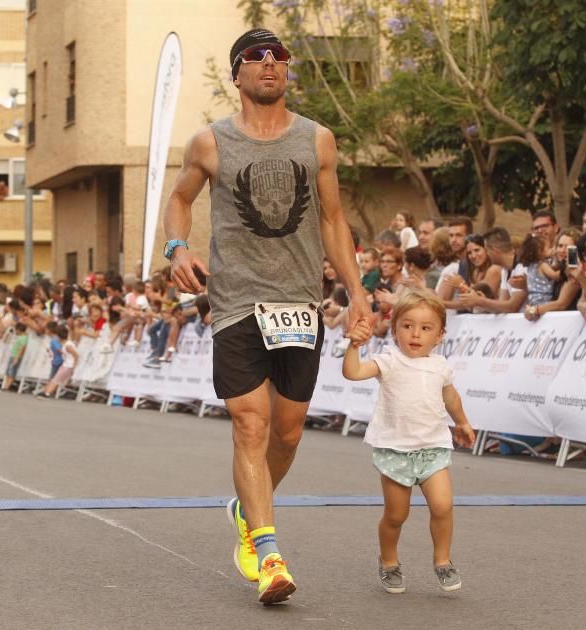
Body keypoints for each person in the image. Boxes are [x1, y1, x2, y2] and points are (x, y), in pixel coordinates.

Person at [160, 27, 371, 605]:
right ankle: (269, 553)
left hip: (300, 302)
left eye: (278, 55)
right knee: (250, 424)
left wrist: (357, 292)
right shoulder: (210, 143)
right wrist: (176, 249)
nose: (270, 64)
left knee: (288, 432)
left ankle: (245, 511)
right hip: (235, 301)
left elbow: (332, 220)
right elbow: (179, 200)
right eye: (256, 57)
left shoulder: (317, 140)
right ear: (238, 74)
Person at [341, 289, 475, 594]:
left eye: (426, 328)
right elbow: (354, 372)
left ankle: (442, 560)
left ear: (440, 335)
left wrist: (463, 422)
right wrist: (354, 346)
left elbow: (451, 397)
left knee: (443, 506)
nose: (415, 334)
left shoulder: (440, 366)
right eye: (407, 326)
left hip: (433, 448)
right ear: (394, 329)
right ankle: (389, 561)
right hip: (395, 449)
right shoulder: (389, 361)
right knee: (396, 515)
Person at [39, 326, 77, 399]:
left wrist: (74, 366)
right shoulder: (66, 344)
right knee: (55, 378)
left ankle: (47, 393)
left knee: (56, 379)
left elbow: (76, 355)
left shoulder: (68, 345)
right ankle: (45, 391)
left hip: (69, 365)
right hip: (66, 364)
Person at [2, 322, 28, 392]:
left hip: (16, 356)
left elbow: (22, 349)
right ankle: (5, 386)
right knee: (8, 371)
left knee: (12, 372)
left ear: (19, 330)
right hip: (12, 355)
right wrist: (9, 333)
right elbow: (5, 341)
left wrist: (17, 358)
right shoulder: (18, 336)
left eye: (16, 330)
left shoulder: (24, 338)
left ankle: (6, 387)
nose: (15, 331)